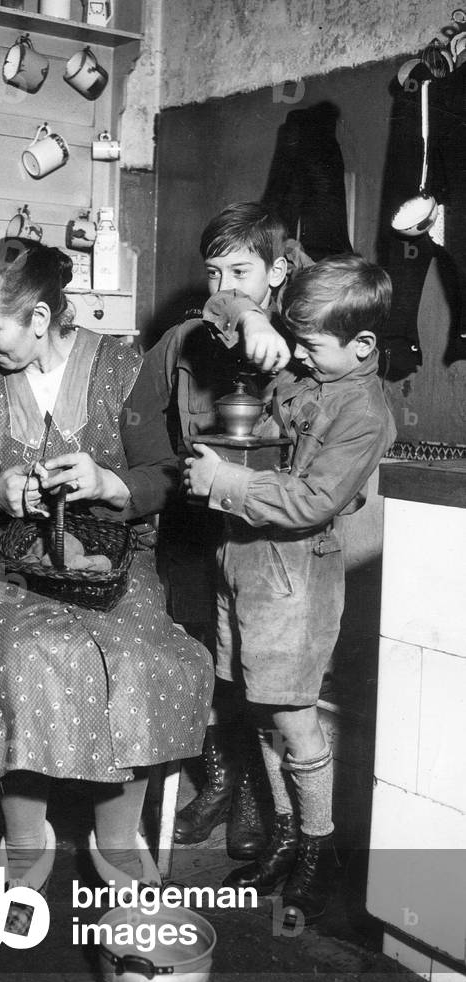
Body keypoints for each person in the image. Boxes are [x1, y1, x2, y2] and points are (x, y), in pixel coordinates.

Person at [0, 238, 214, 923]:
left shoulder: (122, 367)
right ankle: (27, 846)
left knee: (139, 657)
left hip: (113, 562)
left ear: (39, 318)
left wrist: (109, 482)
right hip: (6, 567)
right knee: (24, 655)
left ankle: (116, 843)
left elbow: (164, 475)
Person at [185, 254, 397, 926]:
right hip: (240, 559)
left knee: (295, 721)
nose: (297, 355)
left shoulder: (363, 411)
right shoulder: (310, 365)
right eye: (294, 341)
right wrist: (251, 317)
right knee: (257, 708)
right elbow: (215, 308)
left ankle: (316, 850)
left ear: (361, 344)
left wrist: (224, 482)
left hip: (295, 577)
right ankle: (283, 835)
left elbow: (311, 500)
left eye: (310, 345)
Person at [143, 202, 304, 858]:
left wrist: (258, 322)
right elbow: (139, 422)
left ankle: (250, 794)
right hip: (193, 525)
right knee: (194, 654)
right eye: (213, 272)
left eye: (240, 270)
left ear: (278, 271)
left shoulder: (304, 341)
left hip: (263, 533)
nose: (223, 285)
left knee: (249, 666)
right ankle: (215, 779)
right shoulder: (190, 337)